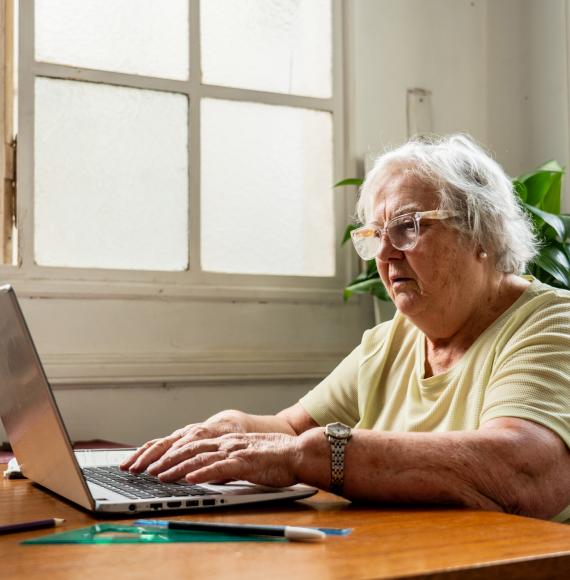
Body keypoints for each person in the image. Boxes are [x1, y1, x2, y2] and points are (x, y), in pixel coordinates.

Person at [122, 134, 570, 521]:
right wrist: (234, 427)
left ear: (482, 235)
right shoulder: (392, 340)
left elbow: (522, 470)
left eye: (409, 227)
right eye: (376, 234)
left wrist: (317, 454)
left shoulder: (550, 322)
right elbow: (288, 430)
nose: (386, 253)